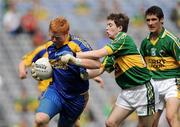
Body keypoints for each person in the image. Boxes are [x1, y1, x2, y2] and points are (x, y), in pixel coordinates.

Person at [61, 13, 159, 127]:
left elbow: (99, 53)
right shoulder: (113, 51)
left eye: (110, 25)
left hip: (143, 89)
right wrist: (83, 75)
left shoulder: (123, 38)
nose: (106, 28)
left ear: (120, 28)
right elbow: (100, 69)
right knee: (110, 123)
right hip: (127, 91)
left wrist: (74, 56)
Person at [32, 16, 103, 127]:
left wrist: (75, 60)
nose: (53, 40)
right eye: (51, 36)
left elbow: (98, 65)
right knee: (40, 119)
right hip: (56, 91)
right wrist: (40, 73)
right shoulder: (49, 45)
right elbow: (54, 66)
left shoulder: (79, 45)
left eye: (57, 37)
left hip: (76, 98)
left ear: (66, 34)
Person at [140, 6, 180, 127]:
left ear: (161, 20)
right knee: (152, 123)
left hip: (172, 83)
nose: (150, 23)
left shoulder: (171, 40)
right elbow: (143, 65)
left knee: (170, 116)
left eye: (154, 19)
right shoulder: (145, 43)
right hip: (154, 85)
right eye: (148, 20)